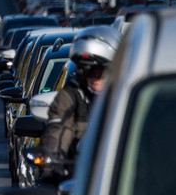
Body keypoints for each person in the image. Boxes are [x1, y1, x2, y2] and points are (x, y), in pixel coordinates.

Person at [39, 25, 121, 184]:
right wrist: (52, 171)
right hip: (80, 178)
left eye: (101, 71)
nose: (95, 78)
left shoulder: (130, 95)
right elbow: (58, 132)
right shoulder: (70, 96)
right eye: (88, 71)